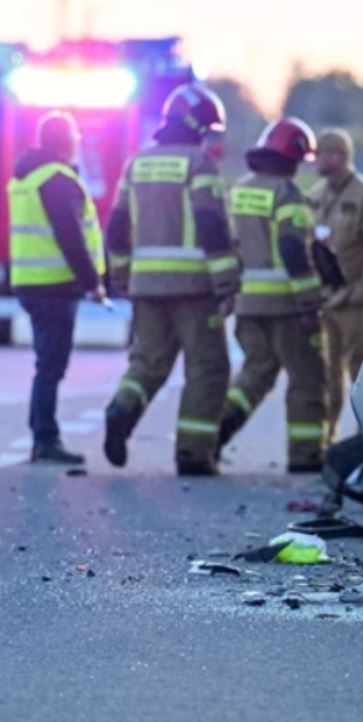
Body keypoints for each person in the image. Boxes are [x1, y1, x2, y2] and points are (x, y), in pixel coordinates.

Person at [102, 84, 240, 476]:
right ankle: (193, 454)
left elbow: (116, 227)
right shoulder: (198, 164)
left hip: (146, 287)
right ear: (196, 124)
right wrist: (227, 283)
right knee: (207, 367)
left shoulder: (137, 164)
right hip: (194, 289)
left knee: (147, 363)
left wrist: (123, 275)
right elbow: (212, 226)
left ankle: (121, 409)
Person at [217, 118, 328, 472]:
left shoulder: (241, 190)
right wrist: (309, 303)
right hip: (286, 307)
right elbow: (293, 249)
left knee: (254, 375)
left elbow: (232, 245)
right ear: (292, 157)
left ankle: (212, 436)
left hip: (248, 303)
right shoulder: (287, 194)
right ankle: (305, 455)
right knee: (307, 377)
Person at [5, 112, 106, 464]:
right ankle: (45, 439)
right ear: (69, 141)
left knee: (45, 362)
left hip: (29, 283)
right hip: (55, 285)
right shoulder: (58, 179)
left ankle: (41, 436)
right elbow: (70, 235)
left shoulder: (24, 177)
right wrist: (93, 282)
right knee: (51, 366)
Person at [308, 129, 363, 441]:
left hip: (357, 302)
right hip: (325, 300)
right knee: (325, 375)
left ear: (341, 157)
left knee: (362, 373)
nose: (319, 160)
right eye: (318, 154)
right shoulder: (317, 195)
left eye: (325, 154)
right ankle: (324, 436)